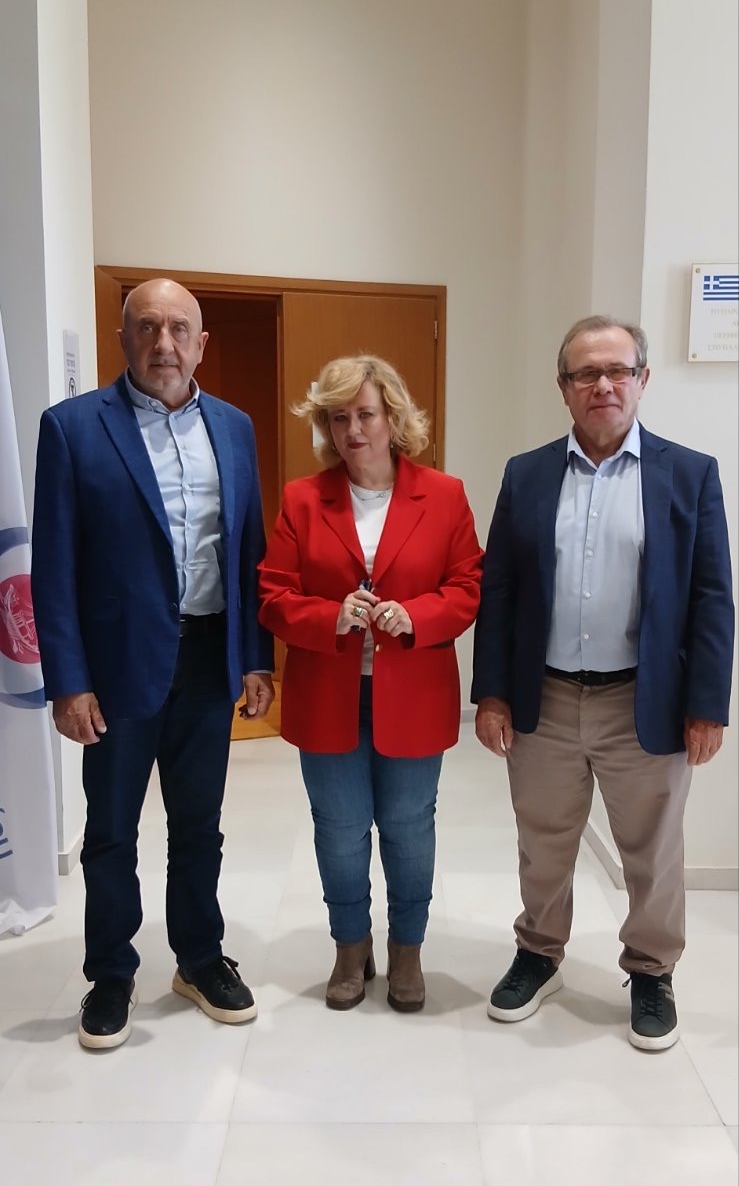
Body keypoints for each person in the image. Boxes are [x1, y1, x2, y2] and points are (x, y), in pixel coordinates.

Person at [472, 315, 734, 1051]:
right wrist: (491, 692)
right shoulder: (527, 474)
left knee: (651, 848)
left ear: (643, 380)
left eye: (618, 370)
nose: (603, 385)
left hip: (644, 699)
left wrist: (706, 705)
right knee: (543, 839)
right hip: (546, 697)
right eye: (586, 373)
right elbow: (499, 590)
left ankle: (651, 968)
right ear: (563, 388)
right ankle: (538, 952)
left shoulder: (689, 473)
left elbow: (712, 596)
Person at [31, 279, 274, 1050]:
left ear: (201, 344)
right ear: (123, 338)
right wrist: (69, 681)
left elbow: (248, 549)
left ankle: (199, 958)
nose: (163, 343)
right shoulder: (73, 428)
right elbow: (53, 568)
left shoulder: (233, 427)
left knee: (199, 825)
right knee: (110, 830)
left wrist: (255, 656)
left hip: (208, 656)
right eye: (147, 327)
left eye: (178, 329)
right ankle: (110, 972)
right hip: (115, 669)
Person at [259, 355, 482, 1012]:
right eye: (338, 418)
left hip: (413, 693)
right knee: (339, 828)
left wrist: (417, 615)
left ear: (393, 417)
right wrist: (328, 616)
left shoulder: (444, 495)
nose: (352, 431)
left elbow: (467, 586)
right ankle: (349, 946)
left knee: (409, 827)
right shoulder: (303, 499)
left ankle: (407, 948)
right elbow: (273, 595)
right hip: (329, 695)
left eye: (365, 415)